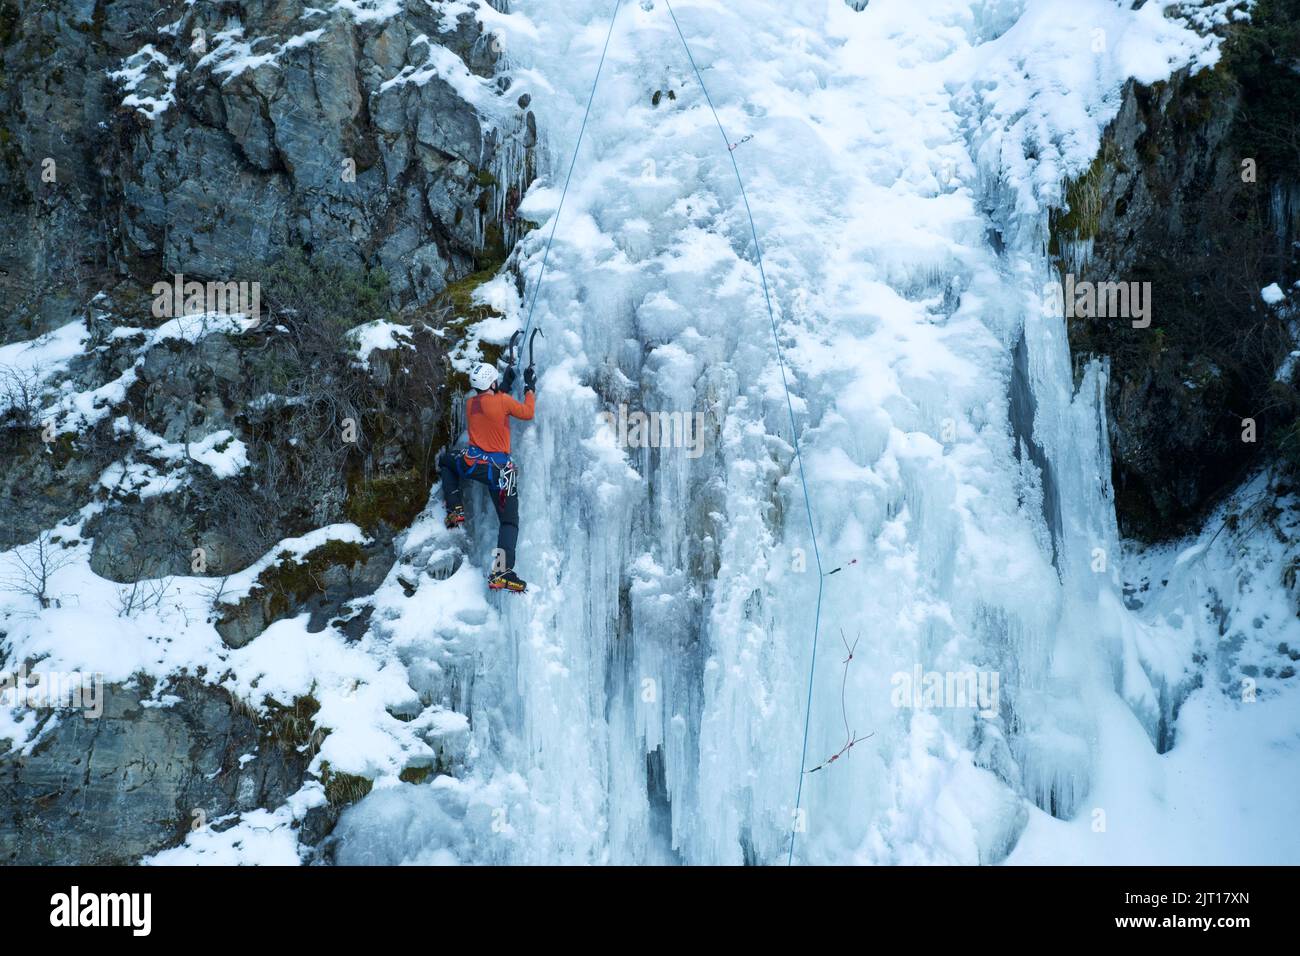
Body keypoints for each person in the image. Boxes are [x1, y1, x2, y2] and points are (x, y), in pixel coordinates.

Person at [438, 360, 536, 592]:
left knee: (446, 461)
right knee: (509, 522)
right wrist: (529, 387)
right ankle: (502, 571)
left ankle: (455, 509)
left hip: (472, 464)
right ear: (492, 382)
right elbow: (527, 412)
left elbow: (490, 403)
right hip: (500, 473)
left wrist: (506, 383)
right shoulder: (502, 401)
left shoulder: (472, 404)